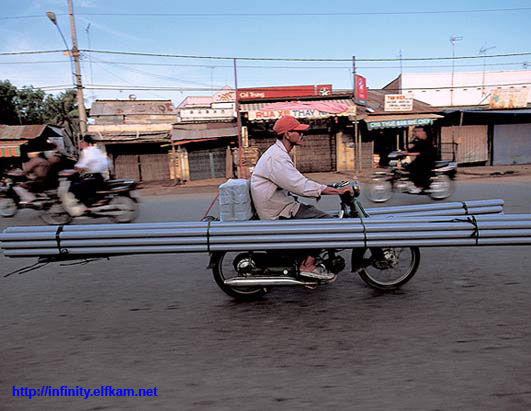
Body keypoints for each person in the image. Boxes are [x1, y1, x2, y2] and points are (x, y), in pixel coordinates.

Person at [250, 115, 354, 281]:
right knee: (329, 223)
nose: (302, 134)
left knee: (315, 214)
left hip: (281, 205)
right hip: (279, 211)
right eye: (298, 131)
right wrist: (336, 192)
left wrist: (331, 187)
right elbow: (300, 186)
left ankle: (307, 259)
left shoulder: (279, 154)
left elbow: (297, 181)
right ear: (287, 134)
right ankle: (308, 265)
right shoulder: (276, 158)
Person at [69, 135, 109, 207]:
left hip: (95, 177)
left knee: (74, 188)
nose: (80, 144)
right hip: (100, 176)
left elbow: (82, 165)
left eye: (82, 142)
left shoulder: (87, 151)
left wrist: (72, 172)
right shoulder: (95, 149)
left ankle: (88, 205)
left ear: (87, 143)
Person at [402, 126, 437, 193]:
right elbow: (412, 149)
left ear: (424, 132)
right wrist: (404, 152)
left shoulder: (427, 141)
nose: (415, 133)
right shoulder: (419, 141)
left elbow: (421, 152)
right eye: (414, 131)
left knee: (416, 169)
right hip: (420, 159)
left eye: (417, 131)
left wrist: (408, 154)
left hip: (427, 160)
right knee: (408, 168)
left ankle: (421, 186)